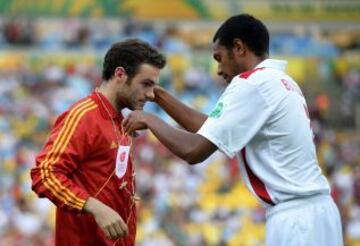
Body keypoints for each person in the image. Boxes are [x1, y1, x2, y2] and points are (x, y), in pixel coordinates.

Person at [123, 14, 343, 246]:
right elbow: (212, 128)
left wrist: (149, 120)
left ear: (238, 47)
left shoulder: (251, 83)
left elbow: (194, 150)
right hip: (318, 213)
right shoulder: (281, 81)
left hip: (296, 220)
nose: (218, 69)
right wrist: (157, 94)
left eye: (219, 58)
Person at [30, 39, 166, 246]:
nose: (150, 94)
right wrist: (94, 206)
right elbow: (44, 174)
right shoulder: (84, 116)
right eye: (146, 84)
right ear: (120, 74)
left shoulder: (121, 119)